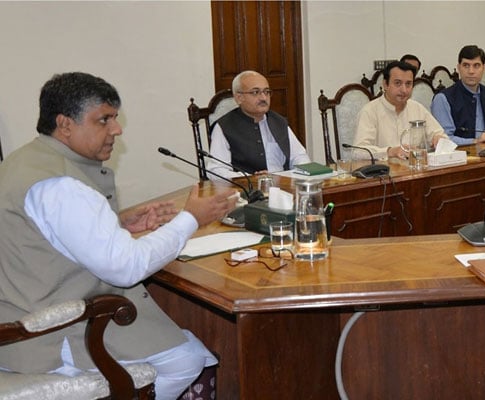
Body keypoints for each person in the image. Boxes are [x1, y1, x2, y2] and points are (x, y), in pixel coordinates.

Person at [0, 72, 239, 399]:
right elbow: (126, 268)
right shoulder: (62, 185)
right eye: (104, 120)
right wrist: (190, 220)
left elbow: (47, 235)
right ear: (65, 124)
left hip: (18, 310)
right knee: (189, 359)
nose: (117, 129)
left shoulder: (25, 161)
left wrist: (118, 224)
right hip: (50, 336)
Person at [207, 70, 311, 181]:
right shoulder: (224, 127)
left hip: (283, 188)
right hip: (247, 193)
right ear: (239, 98)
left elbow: (299, 156)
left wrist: (299, 175)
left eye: (266, 92)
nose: (263, 98)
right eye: (255, 92)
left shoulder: (278, 121)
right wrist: (250, 178)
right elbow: (216, 170)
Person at [354, 60, 449, 160]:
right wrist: (390, 151)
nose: (404, 90)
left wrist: (439, 139)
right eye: (398, 83)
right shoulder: (369, 111)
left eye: (408, 84)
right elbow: (358, 152)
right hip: (384, 173)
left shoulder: (417, 108)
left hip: (415, 171)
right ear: (385, 84)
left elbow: (441, 136)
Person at [431, 45, 485, 145]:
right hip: (460, 156)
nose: (471, 71)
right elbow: (444, 139)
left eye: (476, 65)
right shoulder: (443, 99)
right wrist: (475, 141)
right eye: (466, 65)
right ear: (459, 68)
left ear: (484, 68)